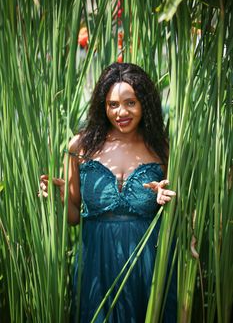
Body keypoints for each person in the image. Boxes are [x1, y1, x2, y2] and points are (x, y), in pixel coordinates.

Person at [40, 62, 177, 322]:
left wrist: (164, 200)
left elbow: (176, 211)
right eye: (112, 104)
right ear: (102, 106)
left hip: (147, 262)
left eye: (130, 103)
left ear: (144, 104)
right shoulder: (80, 146)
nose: (121, 112)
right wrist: (58, 198)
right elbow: (73, 218)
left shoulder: (162, 149)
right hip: (96, 263)